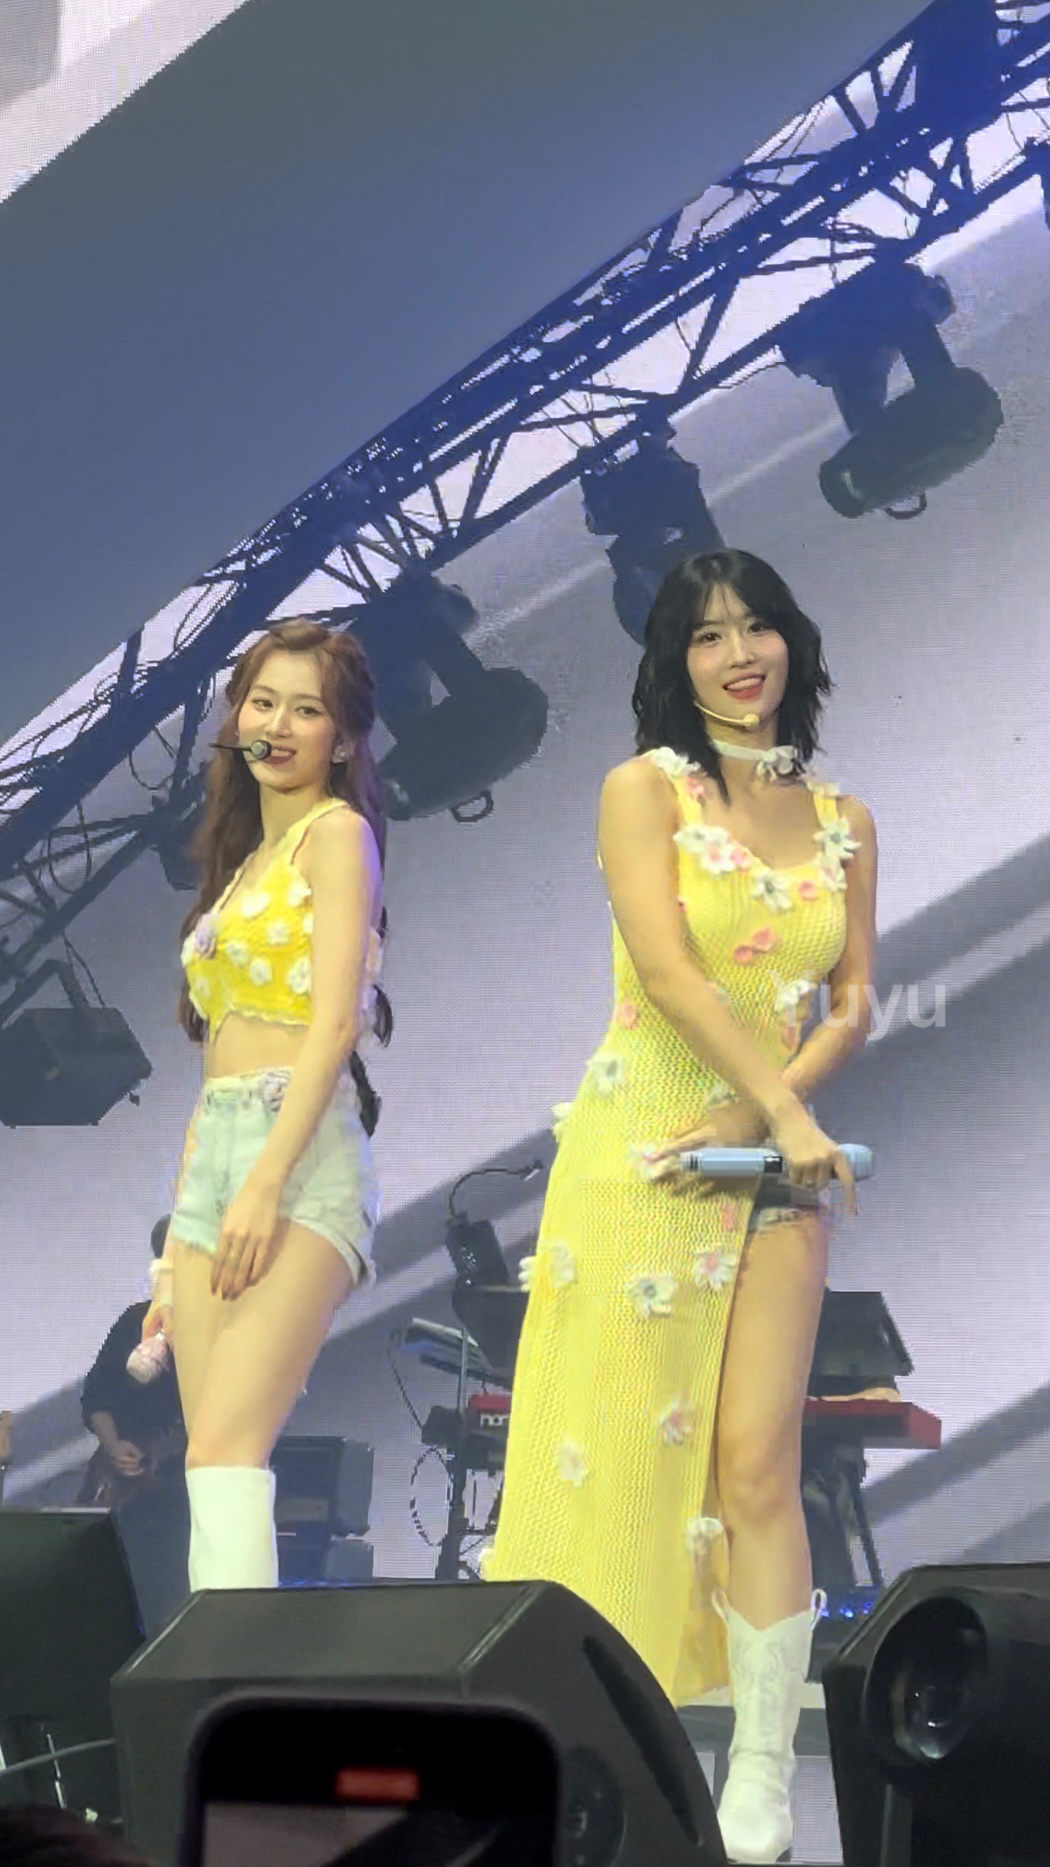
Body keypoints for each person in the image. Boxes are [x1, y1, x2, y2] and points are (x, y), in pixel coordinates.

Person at [483, 550, 876, 1865]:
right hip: (647, 1153)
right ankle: (586, 1760)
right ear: (674, 662)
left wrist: (771, 1117)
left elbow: (852, 1002)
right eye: (707, 636)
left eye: (756, 625)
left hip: (767, 1162)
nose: (738, 653)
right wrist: (771, 1112)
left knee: (757, 1459)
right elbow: (665, 971)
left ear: (791, 640)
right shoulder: (641, 788)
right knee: (612, 1467)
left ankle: (758, 1772)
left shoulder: (843, 817)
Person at [141, 620, 390, 1593]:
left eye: (306, 709)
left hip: (299, 1152)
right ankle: (220, 1667)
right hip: (216, 1158)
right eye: (263, 702)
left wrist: (265, 1183)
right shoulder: (246, 859)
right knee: (210, 1465)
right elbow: (213, 1071)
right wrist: (175, 1246)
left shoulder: (338, 836)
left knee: (228, 1450)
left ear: (345, 737)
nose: (277, 726)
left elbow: (334, 1026)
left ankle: (230, 1676)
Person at [79, 1217, 184, 1506]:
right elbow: (97, 1398)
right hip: (133, 1478)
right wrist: (114, 1447)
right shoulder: (134, 1322)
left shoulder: (222, 1330)